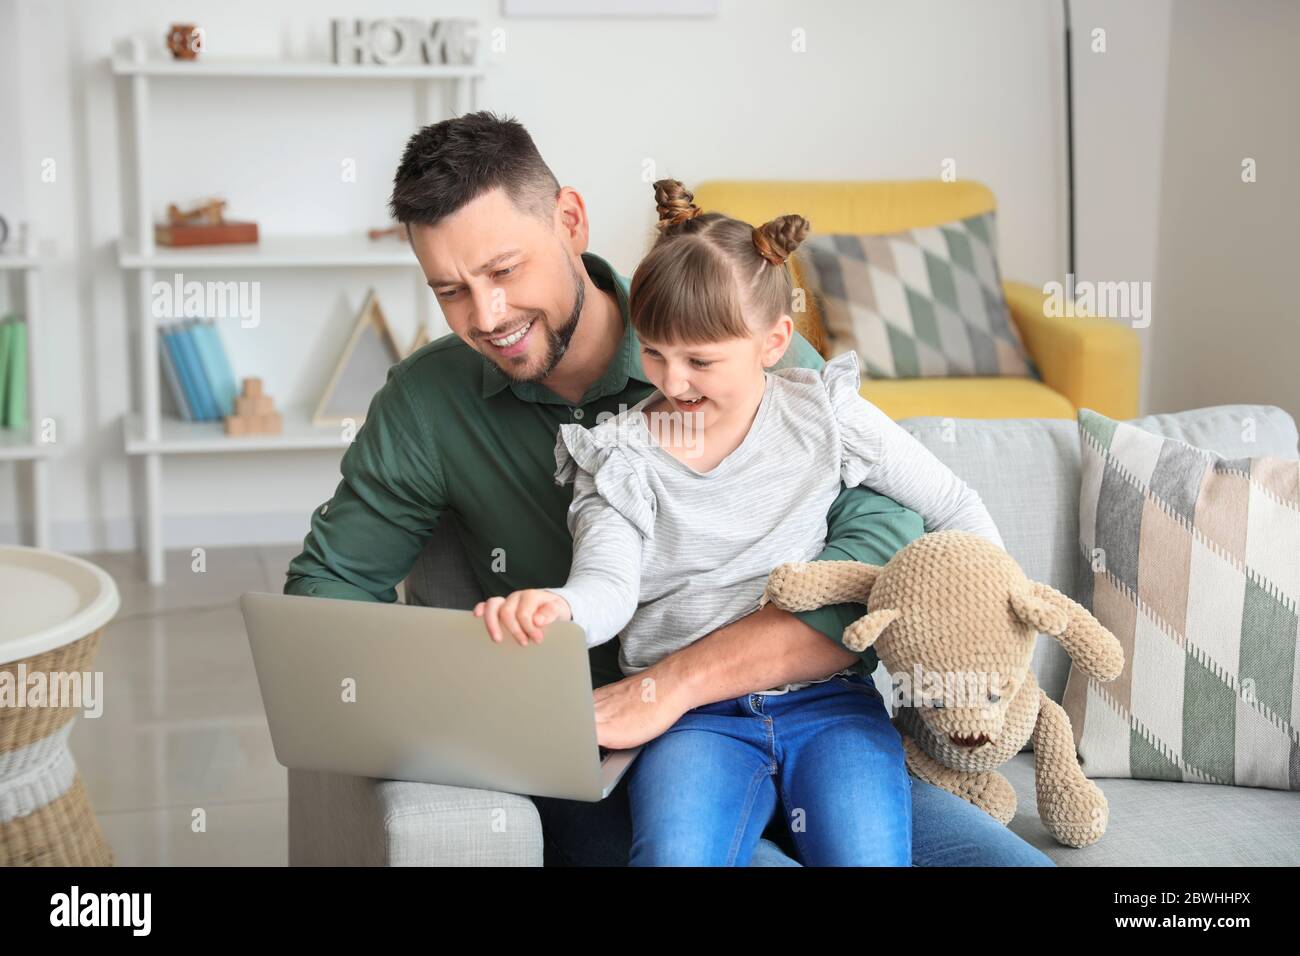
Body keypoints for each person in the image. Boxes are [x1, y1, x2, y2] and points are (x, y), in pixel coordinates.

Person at [285, 111, 1053, 867]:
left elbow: (885, 548)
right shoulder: (433, 405)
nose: (486, 317)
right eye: (450, 290)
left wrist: (672, 685)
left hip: (818, 718)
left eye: (504, 270)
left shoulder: (761, 360)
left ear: (570, 220)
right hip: (624, 756)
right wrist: (464, 692)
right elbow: (327, 593)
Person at [474, 180, 1005, 865]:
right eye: (656, 352)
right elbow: (608, 585)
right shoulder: (620, 457)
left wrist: (991, 614)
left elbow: (956, 505)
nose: (674, 381)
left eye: (701, 360)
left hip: (831, 708)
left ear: (773, 341)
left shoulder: (827, 416)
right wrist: (560, 609)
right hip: (693, 725)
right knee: (674, 857)